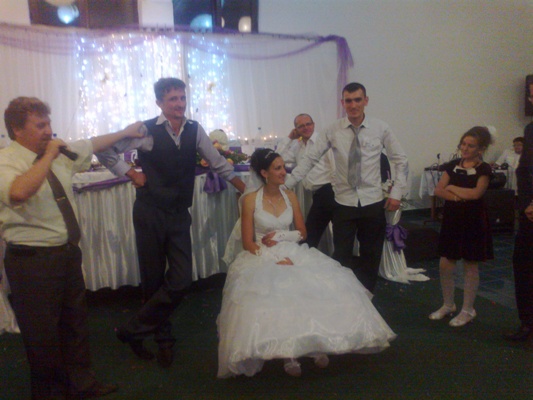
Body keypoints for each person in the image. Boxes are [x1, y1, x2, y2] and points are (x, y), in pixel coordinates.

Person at [96, 77, 246, 368]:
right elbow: (104, 150)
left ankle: (132, 330)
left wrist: (247, 189)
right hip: (149, 212)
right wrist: (131, 173)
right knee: (152, 279)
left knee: (180, 280)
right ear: (159, 103)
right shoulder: (145, 130)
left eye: (182, 97)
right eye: (172, 99)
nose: (179, 104)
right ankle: (163, 339)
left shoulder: (194, 129)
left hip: (178, 213)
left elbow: (218, 163)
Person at [0, 96, 143, 399]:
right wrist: (48, 156)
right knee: (42, 335)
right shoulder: (7, 161)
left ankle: (82, 384)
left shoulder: (57, 153)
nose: (48, 130)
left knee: (74, 324)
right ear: (17, 129)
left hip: (66, 254)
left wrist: (125, 132)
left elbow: (91, 143)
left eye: (49, 123)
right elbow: (19, 192)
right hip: (31, 260)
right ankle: (50, 393)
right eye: (40, 125)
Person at [217, 148, 396, 378]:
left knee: (317, 287)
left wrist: (283, 236)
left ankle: (315, 344)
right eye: (278, 168)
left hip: (291, 249)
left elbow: (302, 232)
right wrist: (274, 259)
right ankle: (288, 353)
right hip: (262, 254)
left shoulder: (290, 196)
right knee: (279, 293)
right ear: (264, 173)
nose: (284, 172)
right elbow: (248, 243)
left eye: (283, 167)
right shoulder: (250, 200)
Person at [284, 82, 409, 292]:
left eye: (357, 100)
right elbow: (309, 159)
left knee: (371, 254)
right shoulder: (332, 130)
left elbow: (400, 160)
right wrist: (286, 186)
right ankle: (343, 295)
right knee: (341, 255)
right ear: (343, 103)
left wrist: (396, 192)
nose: (353, 105)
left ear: (365, 101)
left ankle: (367, 295)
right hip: (343, 202)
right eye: (348, 101)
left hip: (372, 201)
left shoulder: (381, 128)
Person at [429, 126, 494, 327]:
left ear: (480, 149)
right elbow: (439, 190)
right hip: (453, 218)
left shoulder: (484, 169)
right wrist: (458, 197)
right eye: (463, 144)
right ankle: (448, 304)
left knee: (470, 265)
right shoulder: (452, 165)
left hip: (474, 220)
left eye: (470, 145)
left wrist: (453, 188)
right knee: (445, 264)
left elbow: (476, 194)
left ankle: (468, 310)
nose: (465, 148)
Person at [276, 113, 336, 248]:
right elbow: (277, 158)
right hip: (318, 194)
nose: (306, 128)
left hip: (330, 191)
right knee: (310, 238)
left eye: (308, 124)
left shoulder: (323, 141)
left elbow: (335, 168)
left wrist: (335, 192)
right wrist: (289, 138)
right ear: (296, 130)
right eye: (301, 126)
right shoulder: (297, 146)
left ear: (313, 124)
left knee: (314, 237)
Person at [504, 83, 533, 343]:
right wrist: (525, 204)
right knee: (523, 265)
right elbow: (523, 171)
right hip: (529, 212)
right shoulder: (530, 130)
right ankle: (527, 323)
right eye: (532, 95)